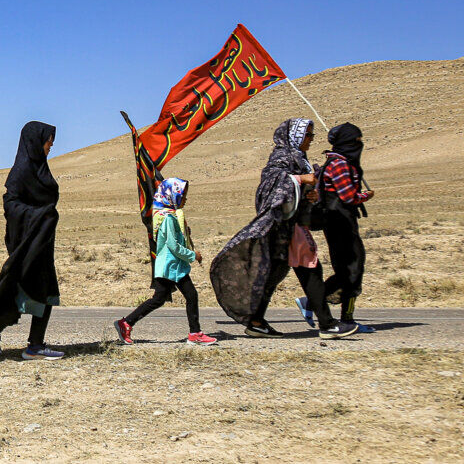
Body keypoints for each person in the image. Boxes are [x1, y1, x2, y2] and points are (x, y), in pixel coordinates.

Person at [209, 119, 359, 340]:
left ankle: (256, 322)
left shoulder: (299, 158)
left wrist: (310, 192)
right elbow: (270, 183)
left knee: (273, 275)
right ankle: (327, 324)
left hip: (292, 226)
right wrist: (300, 179)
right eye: (307, 135)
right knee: (311, 270)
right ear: (295, 137)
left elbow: (297, 190)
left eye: (312, 135)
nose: (311, 140)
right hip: (284, 227)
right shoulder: (282, 157)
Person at [0, 121, 64, 360]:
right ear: (35, 141)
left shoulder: (40, 168)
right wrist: (40, 215)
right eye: (48, 141)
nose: (51, 145)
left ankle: (35, 345)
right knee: (19, 283)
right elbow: (11, 205)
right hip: (28, 240)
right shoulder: (22, 170)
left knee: (46, 290)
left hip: (42, 240)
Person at [114, 178, 217, 345]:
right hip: (171, 267)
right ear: (172, 196)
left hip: (172, 267)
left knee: (161, 299)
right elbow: (173, 246)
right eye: (182, 196)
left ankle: (126, 323)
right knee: (188, 296)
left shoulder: (168, 216)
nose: (185, 199)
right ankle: (195, 333)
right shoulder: (168, 218)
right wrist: (193, 255)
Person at [296, 122, 375, 333]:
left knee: (351, 270)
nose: (359, 144)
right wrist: (366, 196)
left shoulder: (341, 162)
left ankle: (329, 310)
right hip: (339, 223)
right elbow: (348, 196)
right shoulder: (340, 165)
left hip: (342, 222)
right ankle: (336, 314)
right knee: (350, 270)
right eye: (355, 141)